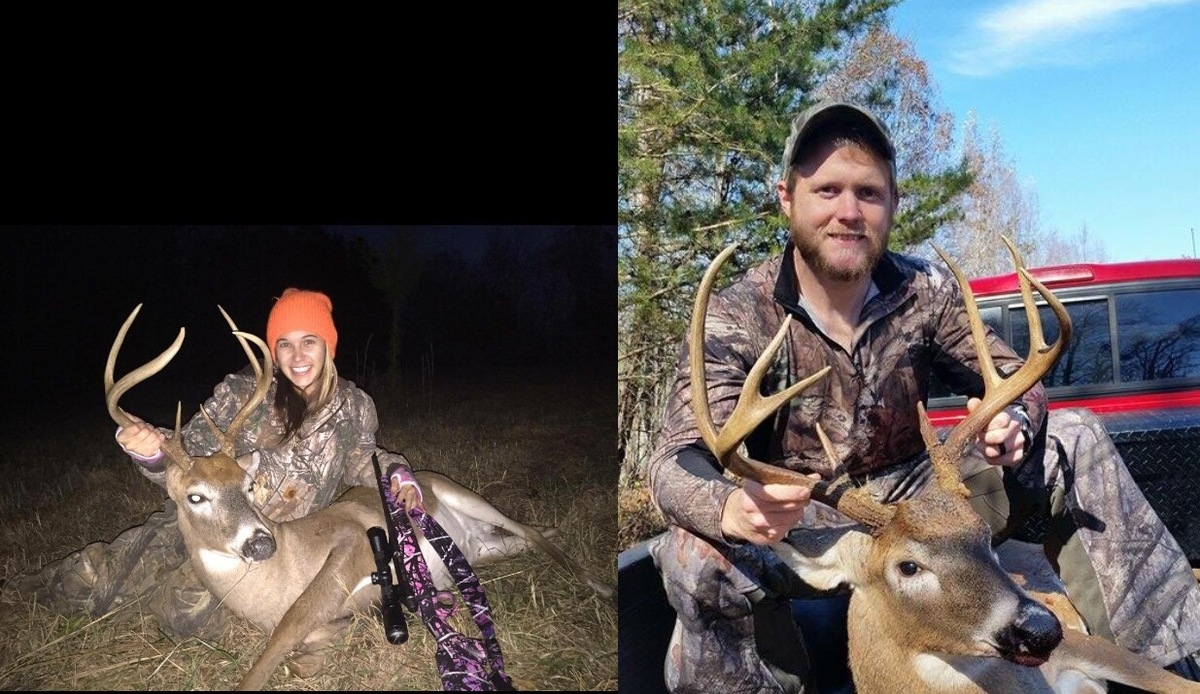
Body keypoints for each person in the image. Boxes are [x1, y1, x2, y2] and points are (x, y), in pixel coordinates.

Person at [646, 100, 1200, 692]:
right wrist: (728, 508)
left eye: (869, 192)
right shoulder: (737, 313)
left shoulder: (923, 291)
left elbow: (1017, 377)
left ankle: (1166, 669)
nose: (848, 212)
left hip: (930, 506)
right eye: (827, 190)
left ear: (892, 204)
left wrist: (1014, 418)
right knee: (695, 559)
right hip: (810, 520)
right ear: (788, 198)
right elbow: (674, 457)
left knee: (1074, 436)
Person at [3, 287, 422, 642]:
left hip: (273, 545)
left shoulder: (353, 406)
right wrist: (151, 449)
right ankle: (16, 594)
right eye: (285, 343)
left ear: (328, 345)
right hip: (208, 519)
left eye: (309, 340)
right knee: (92, 577)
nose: (297, 355)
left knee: (182, 613)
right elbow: (190, 453)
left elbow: (362, 458)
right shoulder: (242, 391)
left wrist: (395, 471)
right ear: (272, 349)